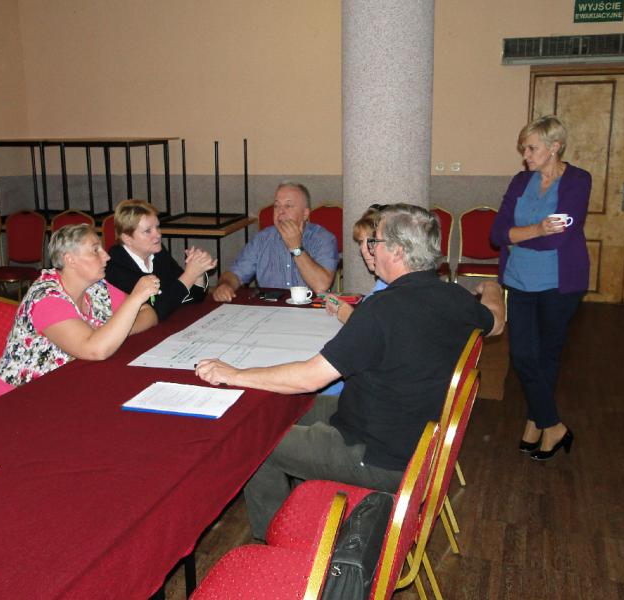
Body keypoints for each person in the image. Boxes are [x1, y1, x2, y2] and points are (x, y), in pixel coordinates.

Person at [196, 204, 505, 539]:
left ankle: (277, 541)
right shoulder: (454, 297)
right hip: (408, 437)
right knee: (285, 405)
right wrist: (490, 288)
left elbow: (310, 377)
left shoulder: (381, 310)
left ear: (397, 251)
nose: (368, 250)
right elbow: (497, 321)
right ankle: (306, 504)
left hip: (377, 455)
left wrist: (234, 374)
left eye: (374, 242)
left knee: (254, 444)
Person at [489, 115, 591, 461]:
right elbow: (497, 234)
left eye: (531, 149)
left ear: (554, 147)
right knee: (522, 355)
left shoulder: (578, 180)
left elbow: (559, 239)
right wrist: (536, 229)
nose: (525, 156)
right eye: (524, 149)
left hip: (560, 283)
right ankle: (554, 425)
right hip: (520, 280)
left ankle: (536, 421)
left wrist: (519, 236)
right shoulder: (521, 181)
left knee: (547, 355)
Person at [0, 224, 159, 400]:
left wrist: (117, 331)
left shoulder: (95, 287)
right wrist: (133, 301)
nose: (107, 256)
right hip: (21, 398)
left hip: (68, 386)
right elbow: (95, 350)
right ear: (70, 260)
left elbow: (148, 313)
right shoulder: (46, 298)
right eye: (95, 250)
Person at [212, 182, 339, 301]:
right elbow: (234, 274)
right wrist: (225, 285)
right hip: (270, 309)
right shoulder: (262, 239)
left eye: (288, 206)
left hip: (309, 309)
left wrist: (296, 248)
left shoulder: (323, 239)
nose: (280, 212)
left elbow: (321, 286)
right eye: (276, 206)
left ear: (305, 214)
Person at [105, 199, 217, 321]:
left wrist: (198, 273)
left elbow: (189, 296)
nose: (158, 234)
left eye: (157, 227)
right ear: (127, 238)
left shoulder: (158, 253)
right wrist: (190, 275)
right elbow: (155, 311)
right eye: (148, 231)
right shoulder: (114, 265)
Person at [322, 204, 389, 324]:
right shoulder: (382, 282)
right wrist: (340, 305)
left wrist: (350, 317)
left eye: (371, 242)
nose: (363, 250)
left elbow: (377, 331)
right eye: (361, 242)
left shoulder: (393, 288)